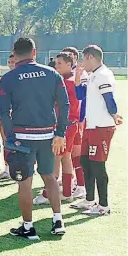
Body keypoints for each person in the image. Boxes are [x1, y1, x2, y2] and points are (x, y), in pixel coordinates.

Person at [0, 37, 68, 239]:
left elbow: (3, 112)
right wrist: (60, 133)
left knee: (25, 182)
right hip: (48, 134)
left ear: (14, 52)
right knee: (49, 177)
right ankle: (58, 221)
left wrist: (11, 138)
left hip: (22, 137)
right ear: (34, 52)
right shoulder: (52, 73)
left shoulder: (9, 77)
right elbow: (64, 105)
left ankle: (28, 227)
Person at [71, 45, 122, 215]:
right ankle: (89, 200)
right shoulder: (92, 75)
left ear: (91, 57)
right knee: (85, 162)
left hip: (101, 127)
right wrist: (78, 77)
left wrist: (114, 115)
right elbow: (80, 95)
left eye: (84, 59)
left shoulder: (103, 75)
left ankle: (103, 205)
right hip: (90, 126)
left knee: (98, 166)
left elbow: (109, 99)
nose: (82, 63)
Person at [33, 52, 80, 205]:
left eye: (59, 63)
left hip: (64, 125)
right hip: (71, 124)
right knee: (66, 157)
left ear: (69, 64)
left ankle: (48, 194)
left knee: (55, 159)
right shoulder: (69, 80)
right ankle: (66, 192)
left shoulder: (66, 83)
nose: (56, 66)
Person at [62, 46, 87, 198]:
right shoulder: (69, 77)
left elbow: (82, 100)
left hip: (78, 120)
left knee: (75, 154)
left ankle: (81, 185)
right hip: (75, 119)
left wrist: (81, 120)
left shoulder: (81, 75)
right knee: (71, 154)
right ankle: (72, 183)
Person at [0, 53, 16, 179]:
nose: (11, 64)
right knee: (6, 142)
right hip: (6, 115)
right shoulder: (6, 78)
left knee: (24, 142)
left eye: (14, 61)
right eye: (9, 62)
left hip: (20, 115)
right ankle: (7, 169)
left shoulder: (23, 77)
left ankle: (27, 168)